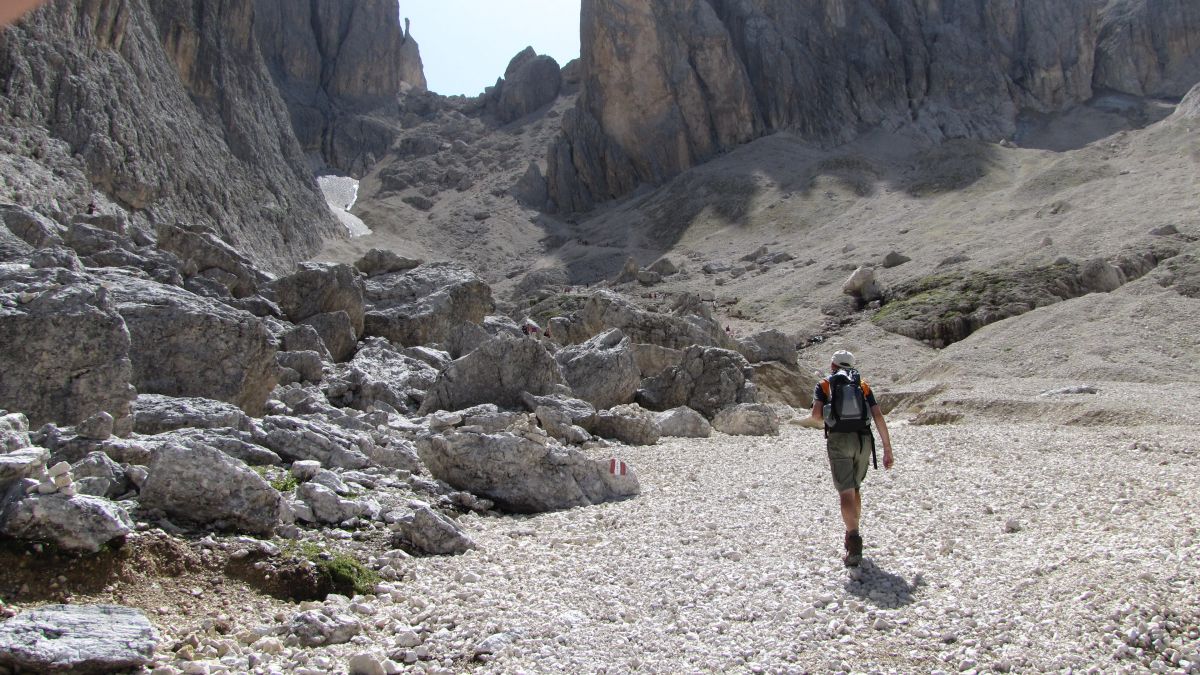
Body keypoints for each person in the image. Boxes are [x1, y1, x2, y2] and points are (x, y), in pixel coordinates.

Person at [808, 349, 894, 567]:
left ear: (833, 366)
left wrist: (827, 416)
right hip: (863, 440)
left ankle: (853, 539)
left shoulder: (825, 384)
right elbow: (877, 416)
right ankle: (853, 532)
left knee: (845, 490)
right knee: (855, 487)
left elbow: (816, 417)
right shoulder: (862, 385)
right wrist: (887, 449)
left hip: (839, 440)